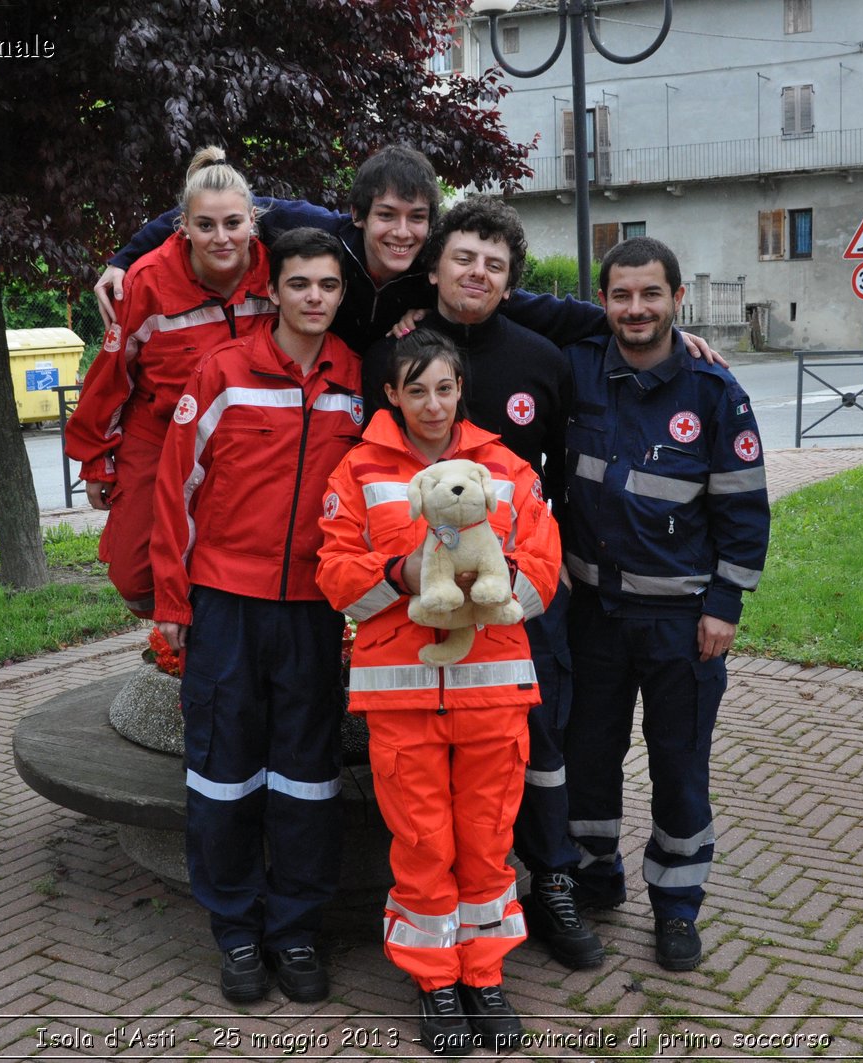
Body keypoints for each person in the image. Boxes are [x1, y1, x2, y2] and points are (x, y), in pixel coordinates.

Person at [361, 196, 603, 973]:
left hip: (520, 587)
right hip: (418, 599)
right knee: (435, 762)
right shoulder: (388, 352)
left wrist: (549, 558)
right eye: (465, 257)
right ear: (435, 265)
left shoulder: (542, 357)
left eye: (495, 265)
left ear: (510, 282)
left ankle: (553, 877)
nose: (478, 273)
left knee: (541, 737)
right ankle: (444, 921)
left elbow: (562, 469)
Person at [317, 330, 561, 1055]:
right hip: (401, 694)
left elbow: (544, 566)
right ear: (391, 394)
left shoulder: (507, 467)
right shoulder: (357, 470)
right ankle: (435, 981)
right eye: (414, 388)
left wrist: (488, 585)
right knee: (423, 843)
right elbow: (334, 574)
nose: (431, 403)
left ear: (462, 390)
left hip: (493, 690)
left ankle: (484, 976)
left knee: (487, 842)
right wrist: (402, 574)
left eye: (444, 388)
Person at [149, 227, 363, 1005]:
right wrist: (174, 603)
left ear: (342, 295)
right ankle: (237, 931)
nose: (314, 298)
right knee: (222, 774)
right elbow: (175, 490)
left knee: (307, 777)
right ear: (273, 288)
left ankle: (297, 930)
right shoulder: (222, 373)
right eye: (300, 283)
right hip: (226, 607)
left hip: (313, 611)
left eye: (328, 287)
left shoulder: (356, 380)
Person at [557, 236, 770, 971]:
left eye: (651, 294)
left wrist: (726, 604)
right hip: (592, 613)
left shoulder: (715, 392)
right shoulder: (580, 367)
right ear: (603, 302)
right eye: (621, 295)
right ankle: (594, 875)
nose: (636, 308)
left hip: (683, 622)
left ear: (677, 298)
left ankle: (676, 904)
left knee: (679, 764)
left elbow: (745, 509)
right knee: (589, 755)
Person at [92, 144, 724, 363]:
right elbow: (212, 211)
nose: (401, 232)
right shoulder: (310, 229)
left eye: (417, 218)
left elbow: (534, 310)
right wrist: (126, 256)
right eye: (387, 216)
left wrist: (639, 324)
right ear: (359, 214)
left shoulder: (432, 274)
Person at [65, 146, 274, 617]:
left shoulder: (278, 271)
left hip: (244, 439)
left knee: (233, 561)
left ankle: (207, 650)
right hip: (158, 433)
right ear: (182, 226)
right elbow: (111, 378)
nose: (221, 238)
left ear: (253, 222)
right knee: (135, 575)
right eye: (205, 226)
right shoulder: (148, 282)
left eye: (233, 224)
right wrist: (98, 460)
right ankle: (174, 633)